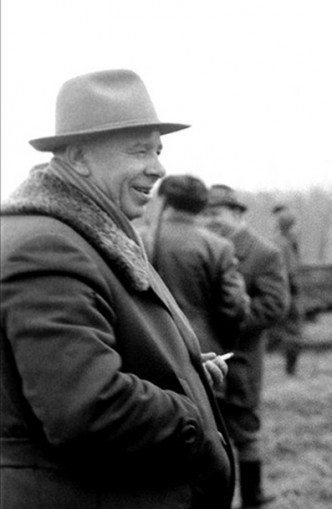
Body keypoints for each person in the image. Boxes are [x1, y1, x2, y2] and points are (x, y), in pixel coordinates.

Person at [0, 69, 234, 508]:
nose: (158, 168)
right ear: (78, 156)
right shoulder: (48, 248)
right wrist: (194, 413)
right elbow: (87, 407)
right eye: (138, 150)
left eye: (159, 150)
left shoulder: (85, 234)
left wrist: (184, 371)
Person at [202, 184, 289, 508]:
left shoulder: (264, 253)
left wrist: (232, 322)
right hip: (204, 359)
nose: (209, 220)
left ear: (238, 215)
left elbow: (274, 305)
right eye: (204, 214)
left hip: (241, 359)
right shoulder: (199, 247)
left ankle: (253, 496)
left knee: (244, 429)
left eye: (216, 213)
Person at [140, 174, 250, 356]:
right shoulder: (219, 247)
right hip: (203, 350)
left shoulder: (139, 238)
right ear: (201, 205)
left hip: (148, 346)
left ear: (164, 200)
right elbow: (235, 305)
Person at [267, 204, 305, 376]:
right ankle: (291, 368)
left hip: (278, 290)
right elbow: (290, 271)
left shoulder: (278, 242)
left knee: (285, 329)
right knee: (292, 330)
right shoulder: (284, 244)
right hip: (287, 291)